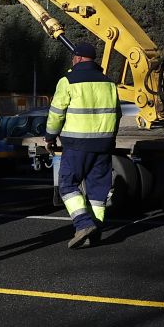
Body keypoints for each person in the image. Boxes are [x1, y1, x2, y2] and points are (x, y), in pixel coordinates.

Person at [46, 40, 121, 249]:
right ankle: (95, 231)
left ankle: (83, 224)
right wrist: (110, 138)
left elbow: (56, 113)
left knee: (68, 184)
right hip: (104, 144)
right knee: (98, 191)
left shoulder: (67, 81)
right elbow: (117, 113)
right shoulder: (108, 83)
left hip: (77, 145)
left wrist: (50, 137)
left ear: (77, 58)